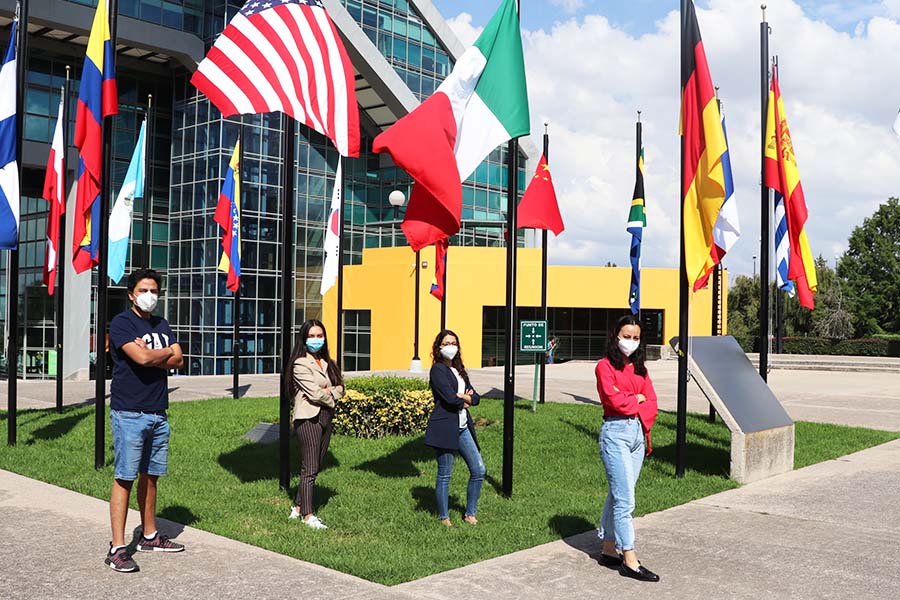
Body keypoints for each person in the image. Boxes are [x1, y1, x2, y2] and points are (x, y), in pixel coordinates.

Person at [105, 268, 185, 573]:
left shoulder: (162, 324)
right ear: (131, 294)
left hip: (157, 412)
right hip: (129, 413)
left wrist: (154, 352)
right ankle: (117, 547)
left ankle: (149, 535)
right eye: (143, 290)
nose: (150, 296)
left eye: (154, 290)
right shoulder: (122, 322)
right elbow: (140, 359)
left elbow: (179, 359)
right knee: (125, 477)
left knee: (151, 477)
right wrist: (158, 355)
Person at [594, 315, 659, 582]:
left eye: (635, 337)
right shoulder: (604, 366)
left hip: (637, 434)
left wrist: (633, 399)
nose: (630, 342)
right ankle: (629, 558)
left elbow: (652, 401)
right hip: (616, 433)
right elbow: (614, 400)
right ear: (615, 336)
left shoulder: (641, 369)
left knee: (620, 492)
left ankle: (609, 548)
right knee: (626, 501)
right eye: (626, 336)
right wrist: (636, 398)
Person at [286, 319, 345, 529]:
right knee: (309, 467)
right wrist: (328, 394)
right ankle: (308, 516)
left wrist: (328, 394)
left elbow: (341, 388)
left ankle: (299, 506)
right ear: (304, 338)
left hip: (326, 416)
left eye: (320, 336)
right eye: (311, 336)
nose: (316, 340)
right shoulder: (301, 363)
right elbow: (313, 392)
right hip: (308, 418)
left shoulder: (328, 362)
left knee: (317, 463)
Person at [424, 329, 486, 527]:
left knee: (478, 469)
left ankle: (470, 513)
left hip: (463, 426)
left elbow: (475, 397)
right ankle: (444, 517)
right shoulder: (438, 370)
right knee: (445, 473)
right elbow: (450, 399)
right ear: (439, 347)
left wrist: (466, 398)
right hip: (445, 426)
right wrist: (463, 399)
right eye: (446, 343)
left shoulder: (459, 370)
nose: (451, 346)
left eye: (453, 343)